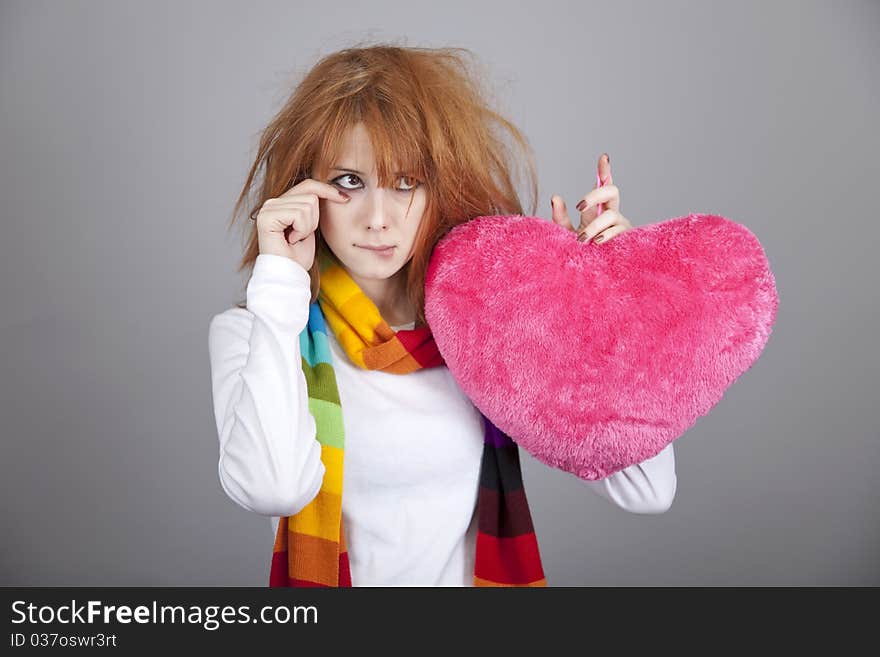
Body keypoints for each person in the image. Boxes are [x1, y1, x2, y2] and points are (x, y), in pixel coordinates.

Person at [208, 43, 677, 587]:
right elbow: (273, 489)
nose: (378, 220)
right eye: (349, 182)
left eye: (405, 182)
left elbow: (647, 489)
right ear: (303, 189)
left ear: (441, 188)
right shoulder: (259, 331)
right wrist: (279, 281)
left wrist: (600, 306)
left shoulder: (481, 332)